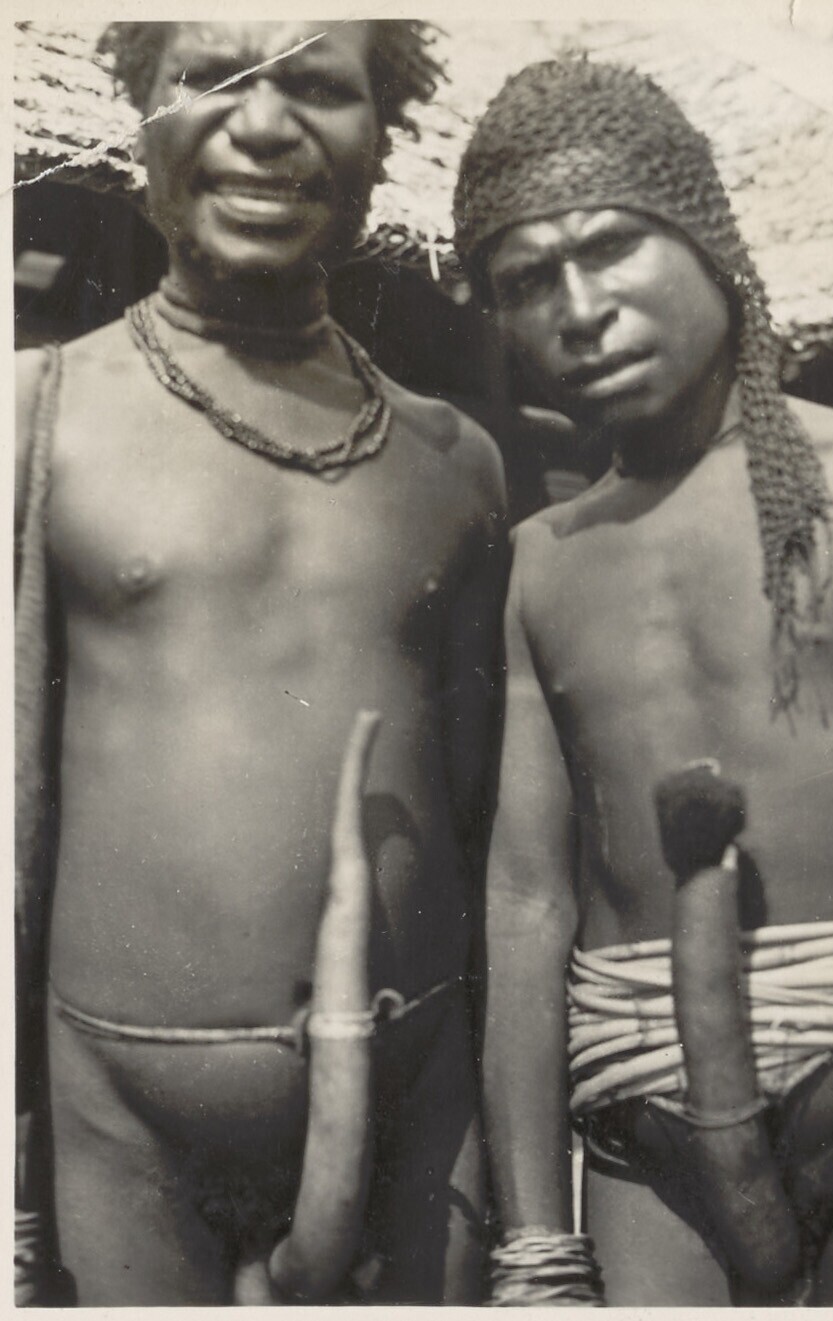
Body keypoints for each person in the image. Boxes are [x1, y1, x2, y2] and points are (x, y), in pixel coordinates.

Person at [15, 20, 507, 1306]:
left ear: (382, 135)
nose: (265, 123)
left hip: (417, 1114)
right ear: (140, 113)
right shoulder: (38, 418)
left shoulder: (455, 465)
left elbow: (485, 819)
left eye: (318, 85)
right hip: (122, 1126)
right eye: (211, 77)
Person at [453, 59, 833, 1306]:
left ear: (709, 242)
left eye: (610, 247)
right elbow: (525, 898)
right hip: (642, 1124)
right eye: (527, 282)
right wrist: (535, 1241)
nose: (578, 308)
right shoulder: (540, 563)